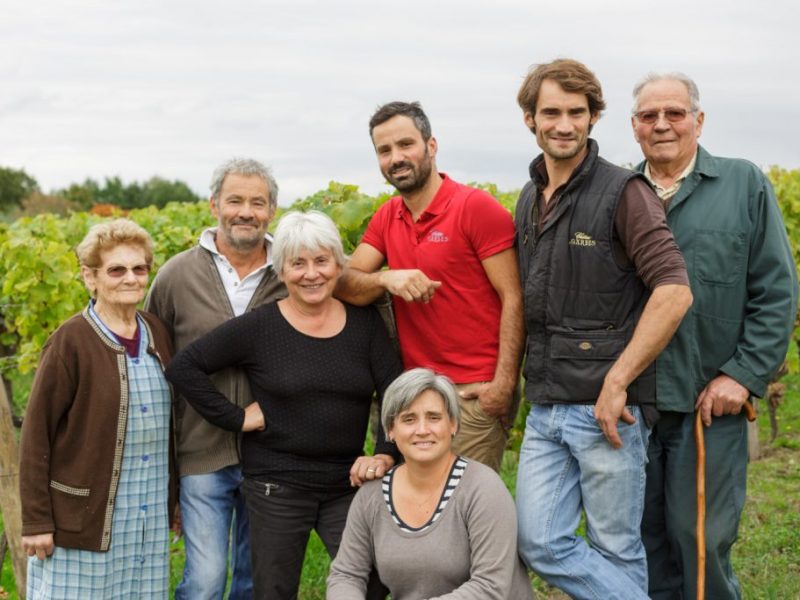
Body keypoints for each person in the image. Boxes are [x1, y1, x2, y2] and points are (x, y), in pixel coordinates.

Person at [512, 59, 693, 599]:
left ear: (593, 118)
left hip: (606, 411)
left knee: (616, 546)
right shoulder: (530, 195)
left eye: (576, 112)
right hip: (545, 404)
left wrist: (618, 383)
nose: (563, 124)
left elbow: (674, 290)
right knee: (539, 541)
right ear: (530, 119)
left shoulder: (624, 192)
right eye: (551, 112)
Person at [166, 210, 402, 599]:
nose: (312, 274)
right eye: (298, 263)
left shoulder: (364, 325)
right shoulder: (260, 327)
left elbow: (396, 391)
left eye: (322, 261)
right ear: (281, 271)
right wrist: (236, 418)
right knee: (273, 592)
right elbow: (185, 367)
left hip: (346, 483)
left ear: (338, 266)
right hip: (277, 486)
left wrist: (384, 454)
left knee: (373, 584)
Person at [630, 72, 797, 599]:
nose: (662, 125)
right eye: (649, 116)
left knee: (699, 535)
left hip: (708, 403)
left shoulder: (743, 183)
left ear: (698, 121)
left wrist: (742, 376)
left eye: (675, 113)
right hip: (636, 404)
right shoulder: (621, 193)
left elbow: (776, 290)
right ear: (634, 127)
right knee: (641, 539)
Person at [336, 101, 524, 473]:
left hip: (474, 391)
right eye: (384, 151)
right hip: (418, 392)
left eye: (406, 145)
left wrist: (502, 386)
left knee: (465, 506)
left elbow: (514, 297)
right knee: (422, 511)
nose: (396, 158)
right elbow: (346, 285)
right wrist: (386, 277)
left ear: (431, 146)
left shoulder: (475, 208)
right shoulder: (388, 216)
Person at [144, 157, 285, 599]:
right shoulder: (175, 275)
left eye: (257, 202)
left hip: (273, 452)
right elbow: (156, 360)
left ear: (272, 211)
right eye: (235, 200)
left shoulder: (292, 271)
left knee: (252, 579)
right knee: (204, 581)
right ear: (213, 205)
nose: (246, 211)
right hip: (201, 450)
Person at [19, 218, 174, 599]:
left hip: (146, 516)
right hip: (85, 518)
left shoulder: (157, 330)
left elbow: (174, 425)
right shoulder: (70, 341)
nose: (130, 278)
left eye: (139, 269)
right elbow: (36, 434)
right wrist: (36, 520)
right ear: (91, 277)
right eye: (116, 269)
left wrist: (174, 499)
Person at [327, 368, 534, 599]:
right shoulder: (372, 496)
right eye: (409, 419)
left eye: (434, 417)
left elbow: (490, 586)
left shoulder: (483, 489)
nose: (423, 430)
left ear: (453, 424)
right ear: (391, 430)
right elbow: (346, 575)